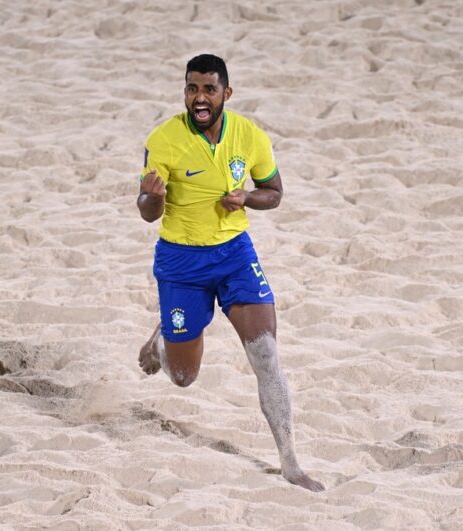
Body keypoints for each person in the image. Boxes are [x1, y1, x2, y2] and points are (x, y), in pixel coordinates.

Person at [136, 54, 324, 492]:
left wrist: (247, 199)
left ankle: (291, 463)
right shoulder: (163, 140)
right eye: (191, 89)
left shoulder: (249, 135)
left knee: (267, 356)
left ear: (226, 93)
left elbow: (274, 193)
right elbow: (147, 213)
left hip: (235, 256)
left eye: (208, 89)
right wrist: (152, 198)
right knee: (183, 379)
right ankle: (165, 333)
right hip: (181, 263)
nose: (199, 98)